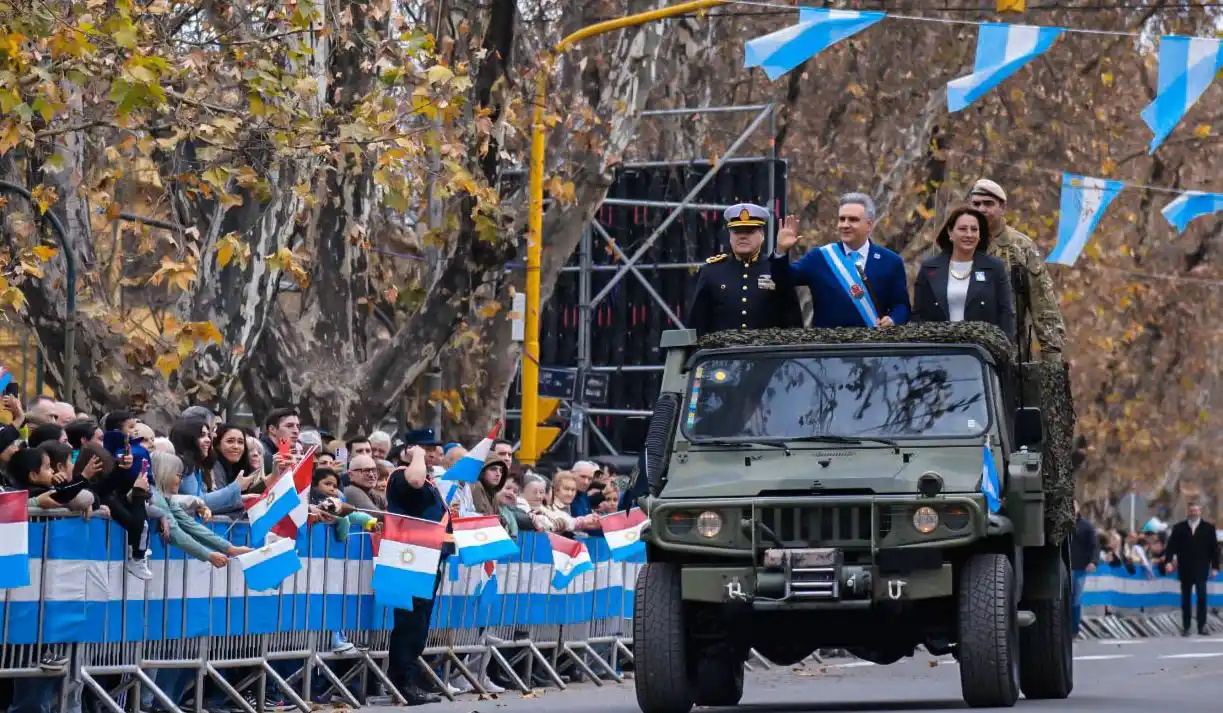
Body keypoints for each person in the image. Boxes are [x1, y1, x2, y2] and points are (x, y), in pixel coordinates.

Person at [773, 193, 910, 329]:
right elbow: (784, 279)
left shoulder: (890, 261)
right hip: (829, 347)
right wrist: (781, 251)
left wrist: (893, 319)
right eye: (842, 219)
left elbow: (901, 305)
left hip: (872, 347)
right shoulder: (820, 257)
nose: (845, 225)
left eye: (853, 219)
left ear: (869, 225)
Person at [967, 179, 1067, 362]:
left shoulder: (1021, 247)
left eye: (988, 204)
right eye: (976, 204)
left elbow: (1044, 306)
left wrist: (1053, 359)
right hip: (964, 353)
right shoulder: (959, 246)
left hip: (1010, 355)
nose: (981, 209)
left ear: (1002, 207)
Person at [383, 445, 445, 705]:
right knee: (410, 623)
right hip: (409, 554)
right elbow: (416, 479)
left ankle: (410, 678)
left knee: (419, 623)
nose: (431, 455)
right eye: (425, 450)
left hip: (426, 556)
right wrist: (415, 455)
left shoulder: (427, 481)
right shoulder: (401, 475)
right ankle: (402, 683)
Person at [686, 203, 803, 336]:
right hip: (723, 353)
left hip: (765, 353)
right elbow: (696, 325)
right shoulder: (712, 272)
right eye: (737, 231)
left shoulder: (775, 269)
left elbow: (793, 322)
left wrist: (781, 252)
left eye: (749, 231)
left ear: (762, 235)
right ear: (730, 236)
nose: (742, 236)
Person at [912, 205, 1016, 341]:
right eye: (962, 229)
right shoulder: (929, 268)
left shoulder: (995, 268)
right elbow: (918, 315)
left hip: (981, 353)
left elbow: (1006, 314)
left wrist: (1005, 349)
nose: (969, 234)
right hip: (937, 352)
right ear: (950, 232)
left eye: (974, 229)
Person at [1163, 501, 1220, 636]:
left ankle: (1202, 626)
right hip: (1185, 568)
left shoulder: (1208, 528)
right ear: (1188, 512)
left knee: (1202, 597)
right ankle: (1186, 626)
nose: (1194, 513)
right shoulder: (1179, 528)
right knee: (1186, 598)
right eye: (1191, 511)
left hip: (1201, 567)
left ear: (1200, 512)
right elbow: (1171, 546)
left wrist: (1215, 567)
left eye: (1196, 510)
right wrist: (1169, 561)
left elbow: (1214, 549)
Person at [1069, 500, 1099, 637]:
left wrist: (1093, 561)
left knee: (1075, 599)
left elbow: (1094, 545)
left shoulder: (1086, 526)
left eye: (1073, 505)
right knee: (1065, 599)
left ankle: (1074, 629)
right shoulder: (1061, 526)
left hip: (1079, 567)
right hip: (1065, 568)